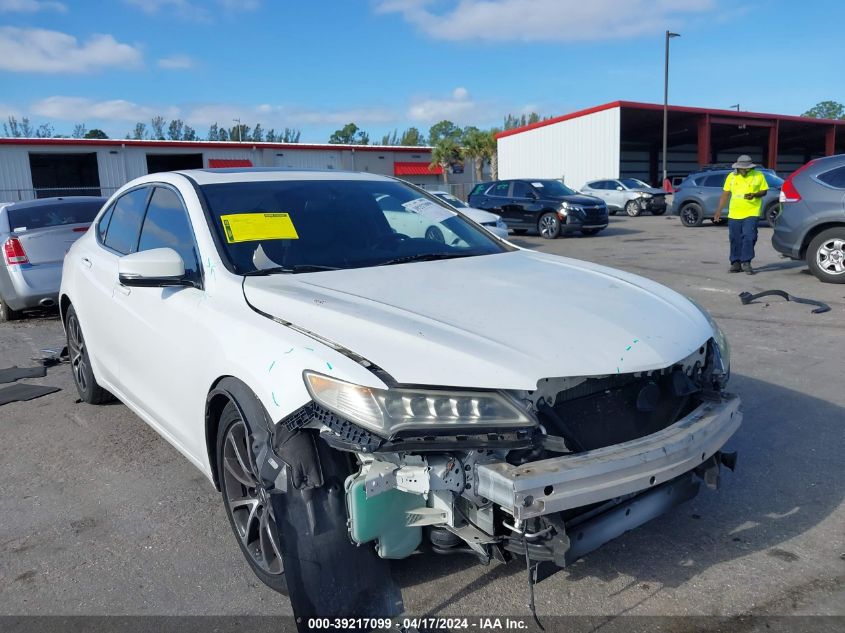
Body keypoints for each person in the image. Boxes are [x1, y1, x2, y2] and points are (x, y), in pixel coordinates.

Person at [714, 155, 768, 274]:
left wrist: (754, 194)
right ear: (737, 167)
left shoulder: (758, 175)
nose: (744, 171)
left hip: (752, 211)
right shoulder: (731, 177)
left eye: (746, 169)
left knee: (750, 236)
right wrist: (718, 211)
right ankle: (735, 263)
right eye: (742, 169)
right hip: (734, 213)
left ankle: (746, 262)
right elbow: (725, 194)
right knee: (735, 238)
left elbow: (764, 191)